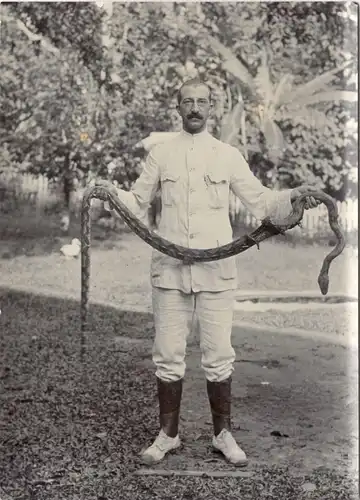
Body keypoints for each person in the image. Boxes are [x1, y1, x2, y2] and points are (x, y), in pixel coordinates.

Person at [97, 78, 320, 467]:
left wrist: (291, 200)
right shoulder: (161, 155)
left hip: (217, 271)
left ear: (212, 107)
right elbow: (136, 199)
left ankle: (223, 435)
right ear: (178, 107)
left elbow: (262, 200)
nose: (195, 108)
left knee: (219, 355)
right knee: (168, 354)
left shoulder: (227, 156)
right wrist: (108, 194)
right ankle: (168, 435)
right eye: (188, 102)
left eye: (202, 102)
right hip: (169, 271)